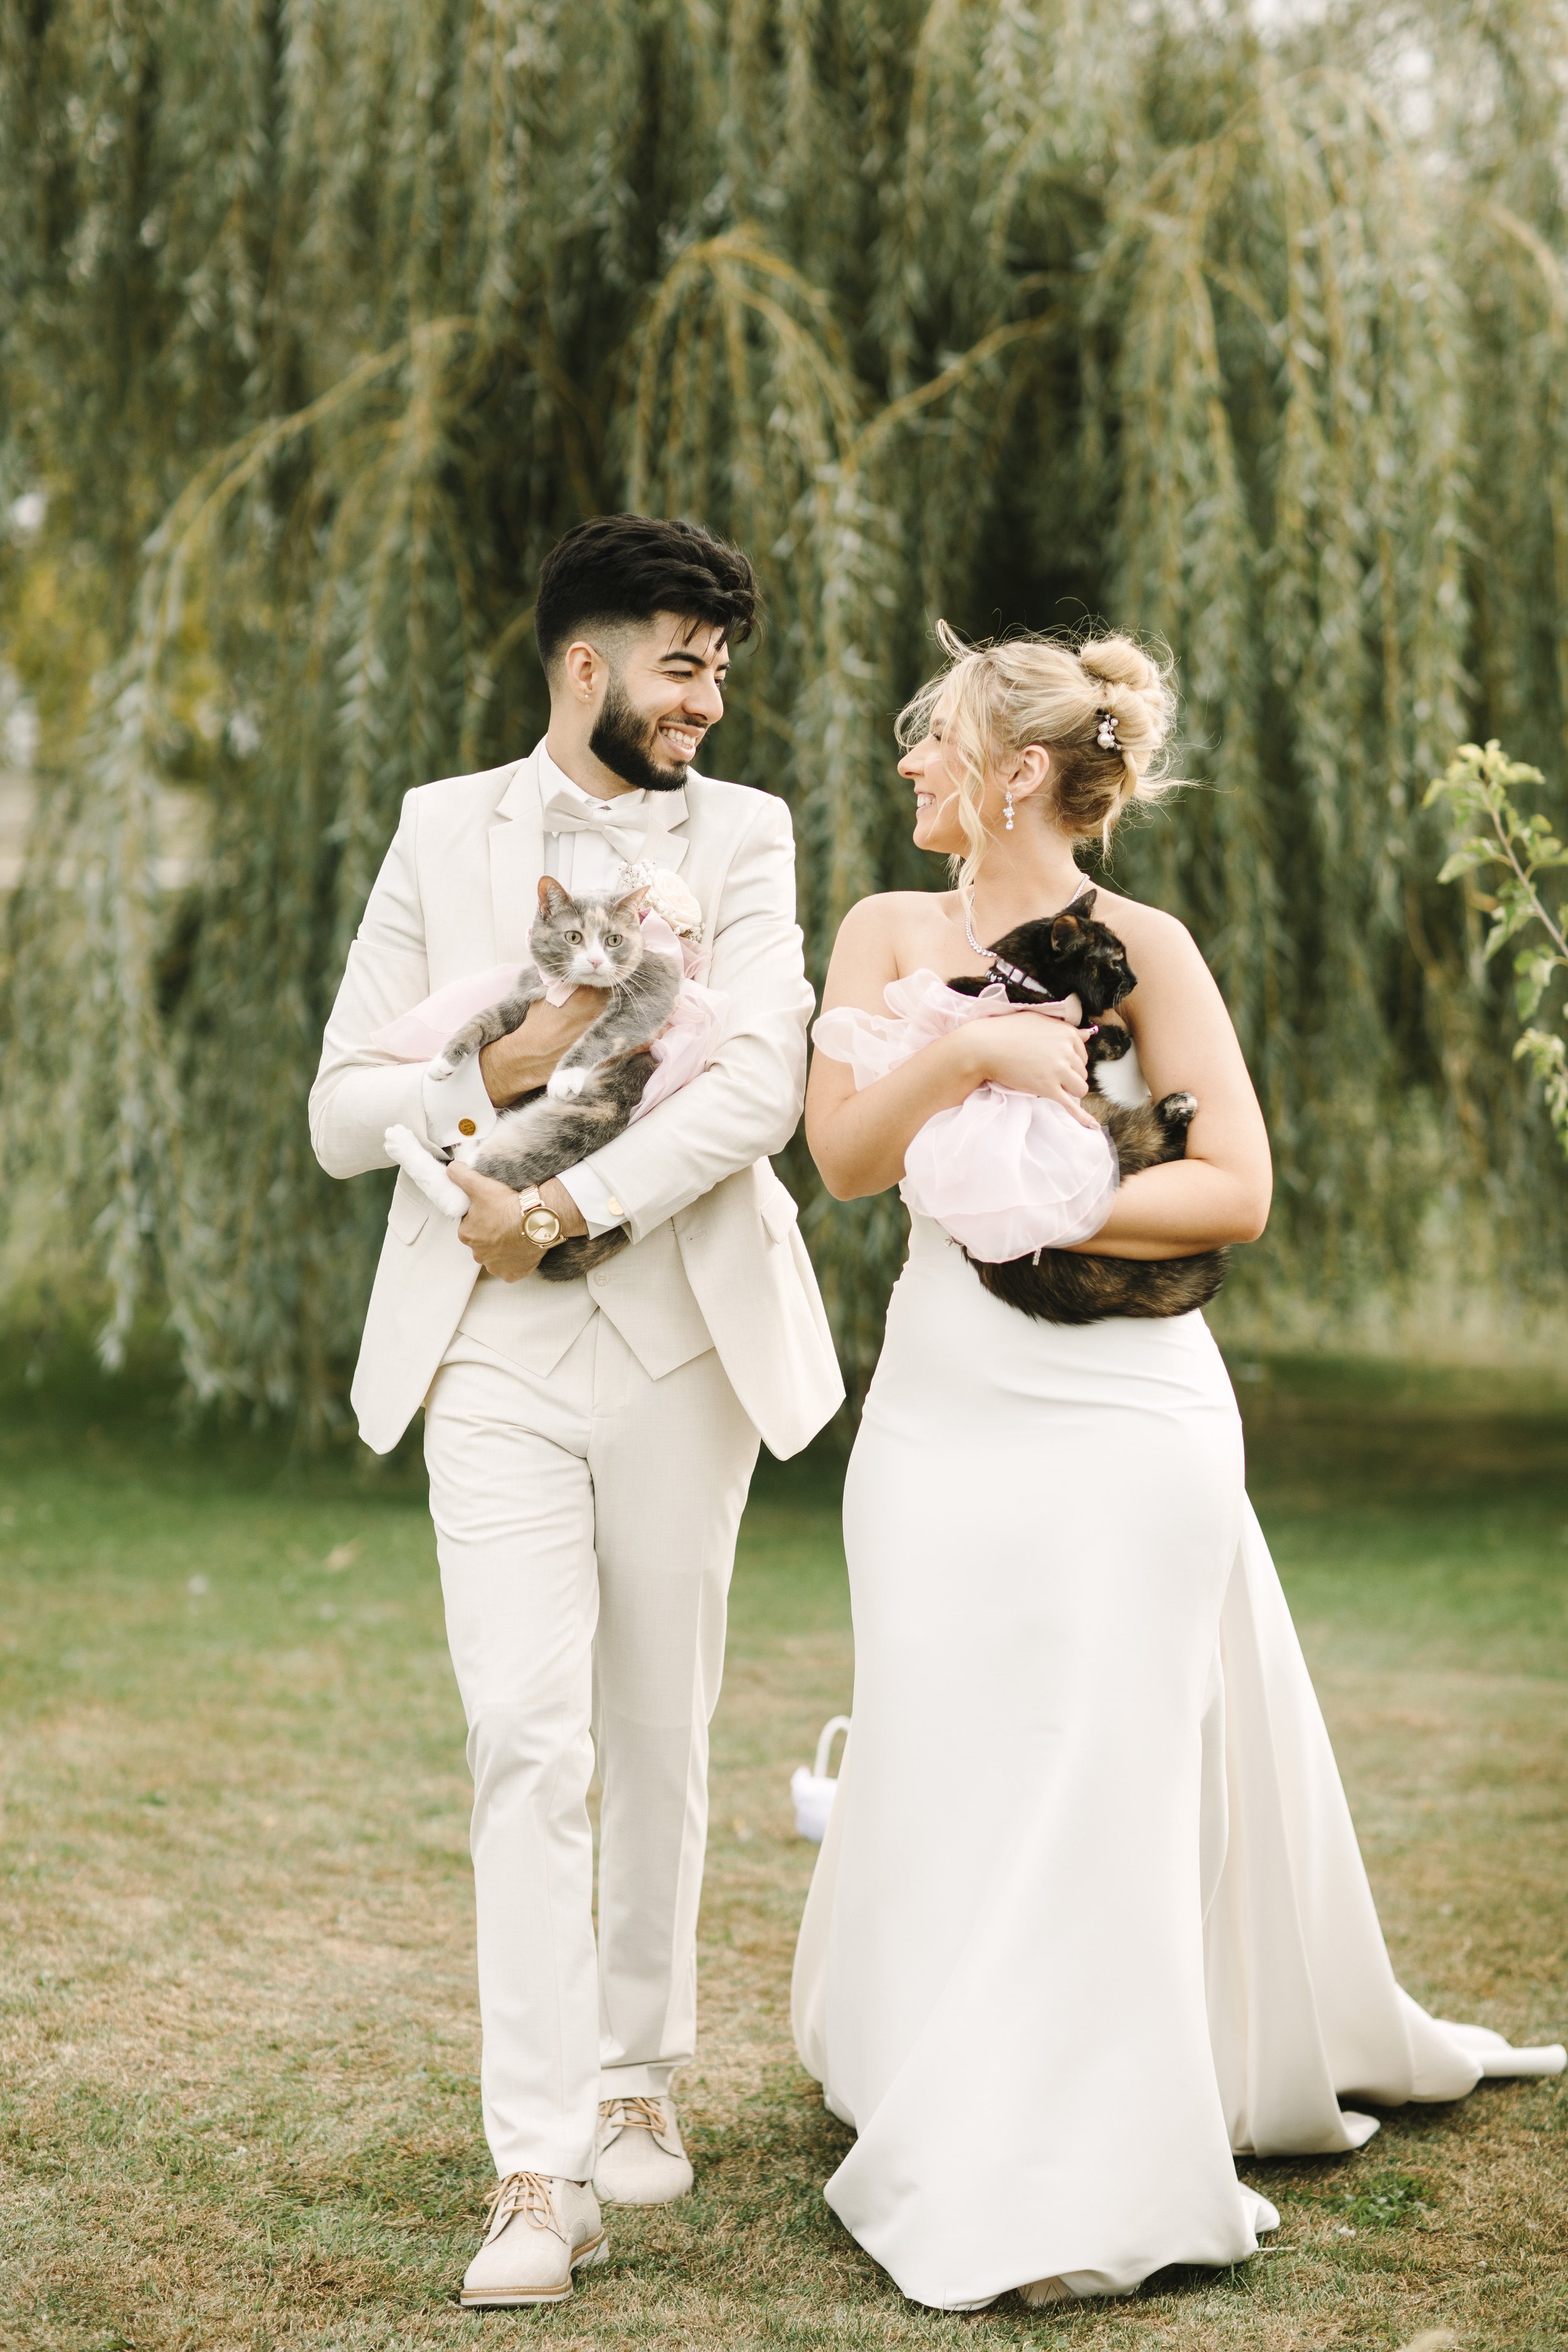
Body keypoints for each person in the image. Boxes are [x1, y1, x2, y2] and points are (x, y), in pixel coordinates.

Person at [790, 625, 1564, 2313]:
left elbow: (1233, 1195)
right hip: (942, 1400)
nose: (907, 764)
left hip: (1130, 1406)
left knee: (1101, 1746)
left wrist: (1052, 1200)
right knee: (943, 1716)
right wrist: (968, 1059)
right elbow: (845, 1157)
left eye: (931, 741)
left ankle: (1093, 2134)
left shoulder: (1141, 947)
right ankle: (941, 2057)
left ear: (1011, 776)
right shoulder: (885, 931)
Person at [309, 514, 844, 2309]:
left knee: (657, 1721)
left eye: (721, 670)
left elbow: (757, 1087)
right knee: (523, 1735)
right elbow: (336, 1108)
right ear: (584, 662)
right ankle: (533, 2168)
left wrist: (560, 1207)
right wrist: (497, 1076)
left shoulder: (750, 835)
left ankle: (640, 2074)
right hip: (486, 1352)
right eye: (681, 663)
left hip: (678, 1329)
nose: (707, 698)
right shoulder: (436, 826)